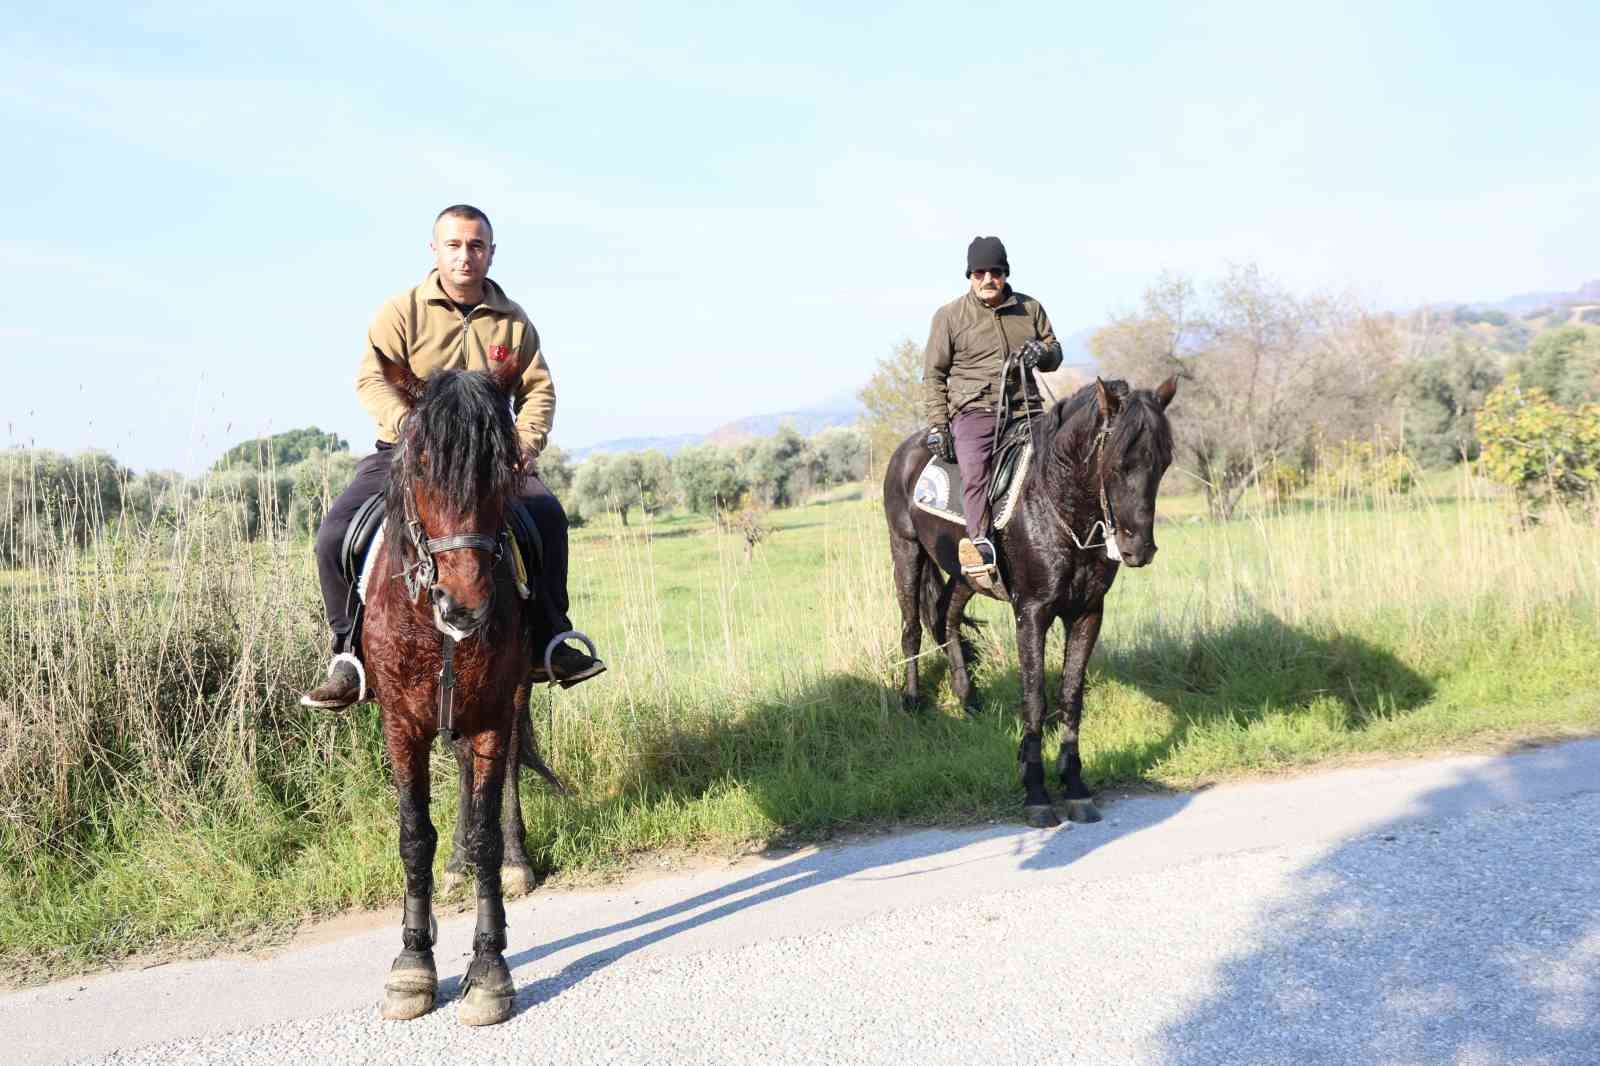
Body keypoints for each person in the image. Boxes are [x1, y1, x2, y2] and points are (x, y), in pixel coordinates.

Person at [301, 204, 605, 709]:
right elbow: (372, 378)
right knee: (335, 533)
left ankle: (551, 637)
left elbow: (538, 390)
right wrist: (413, 431)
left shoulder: (512, 321)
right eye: (455, 245)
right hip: (408, 454)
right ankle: (348, 656)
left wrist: (524, 446)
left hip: (490, 461)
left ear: (490, 251)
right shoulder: (401, 311)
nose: (466, 255)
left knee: (548, 517)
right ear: (435, 249)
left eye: (476, 245)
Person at [923, 235, 1062, 591]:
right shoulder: (949, 316)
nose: (988, 279)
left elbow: (1054, 351)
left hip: (1028, 409)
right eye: (980, 272)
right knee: (975, 469)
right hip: (974, 411)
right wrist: (939, 424)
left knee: (1065, 458)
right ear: (970, 275)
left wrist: (1041, 355)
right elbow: (934, 375)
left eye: (995, 272)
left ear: (1005, 273)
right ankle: (981, 544)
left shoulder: (1029, 309)